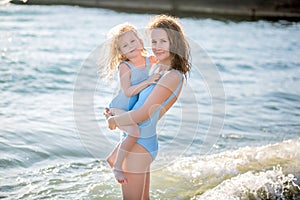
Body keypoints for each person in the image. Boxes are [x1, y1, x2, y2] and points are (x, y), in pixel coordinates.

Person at [106, 15, 191, 200]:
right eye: (153, 41)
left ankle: (115, 161)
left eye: (163, 41)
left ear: (175, 43)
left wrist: (113, 120)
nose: (157, 46)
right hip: (139, 144)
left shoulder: (172, 76)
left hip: (139, 148)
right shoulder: (156, 70)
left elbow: (143, 113)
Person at [103, 23, 159, 184]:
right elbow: (127, 91)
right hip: (117, 108)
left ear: (140, 42)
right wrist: (148, 81)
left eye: (133, 41)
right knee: (134, 131)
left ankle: (112, 158)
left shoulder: (151, 61)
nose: (131, 47)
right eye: (125, 46)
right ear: (121, 52)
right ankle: (117, 166)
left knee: (130, 134)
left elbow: (167, 64)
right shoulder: (125, 66)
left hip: (131, 110)